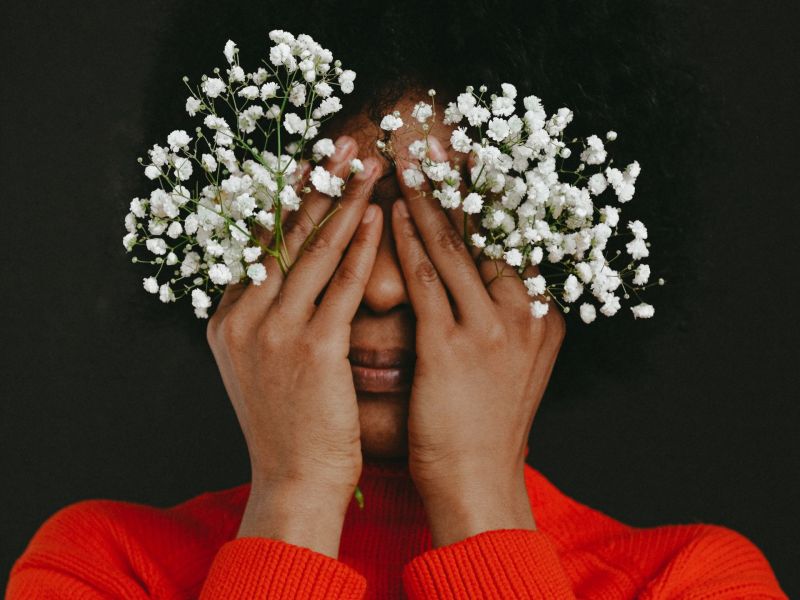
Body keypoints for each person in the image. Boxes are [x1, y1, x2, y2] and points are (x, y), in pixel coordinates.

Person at [6, 2, 789, 598]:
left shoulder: (693, 580)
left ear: (560, 244)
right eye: (331, 218)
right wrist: (297, 496)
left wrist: (478, 494)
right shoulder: (99, 566)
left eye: (443, 221)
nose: (381, 286)